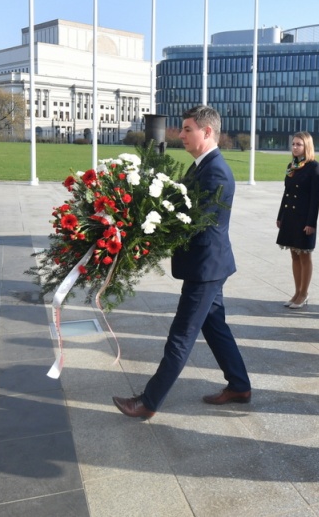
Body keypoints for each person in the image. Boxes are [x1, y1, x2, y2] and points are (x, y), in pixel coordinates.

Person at [112, 105, 251, 419]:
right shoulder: (202, 165)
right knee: (215, 328)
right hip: (208, 265)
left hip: (205, 268)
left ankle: (148, 402)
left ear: (207, 132)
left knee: (181, 336)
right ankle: (240, 385)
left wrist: (149, 230)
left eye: (188, 129)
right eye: (182, 128)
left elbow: (190, 223)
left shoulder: (214, 171)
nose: (181, 134)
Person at [276, 132, 319, 309]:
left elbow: (315, 199)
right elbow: (286, 193)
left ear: (307, 146)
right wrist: (281, 216)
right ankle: (297, 292)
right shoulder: (292, 166)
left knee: (304, 255)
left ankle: (304, 293)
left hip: (304, 218)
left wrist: (311, 223)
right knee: (294, 255)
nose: (295, 147)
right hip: (290, 217)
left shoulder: (315, 168)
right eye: (294, 144)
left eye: (299, 144)